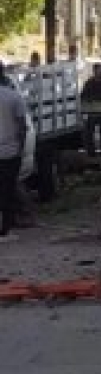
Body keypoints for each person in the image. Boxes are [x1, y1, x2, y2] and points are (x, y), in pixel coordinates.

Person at [0, 60, 29, 241]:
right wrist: (20, 146)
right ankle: (6, 230)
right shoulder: (13, 97)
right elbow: (23, 126)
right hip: (9, 152)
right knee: (8, 190)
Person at [81, 63, 101, 158]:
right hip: (92, 112)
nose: (100, 72)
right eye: (98, 70)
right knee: (88, 134)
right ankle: (91, 155)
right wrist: (89, 100)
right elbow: (83, 95)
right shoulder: (89, 82)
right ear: (94, 71)